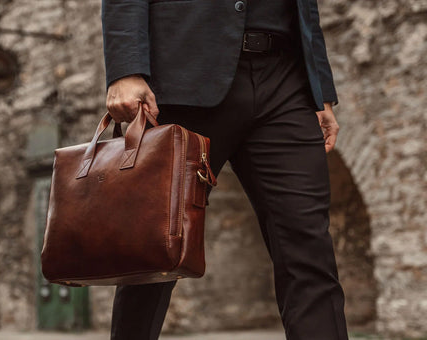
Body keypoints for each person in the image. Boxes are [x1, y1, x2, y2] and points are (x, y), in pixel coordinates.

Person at [101, 1, 348, 339]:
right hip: (183, 77)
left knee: (309, 248)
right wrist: (125, 69)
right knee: (154, 250)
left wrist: (322, 91)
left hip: (287, 81)